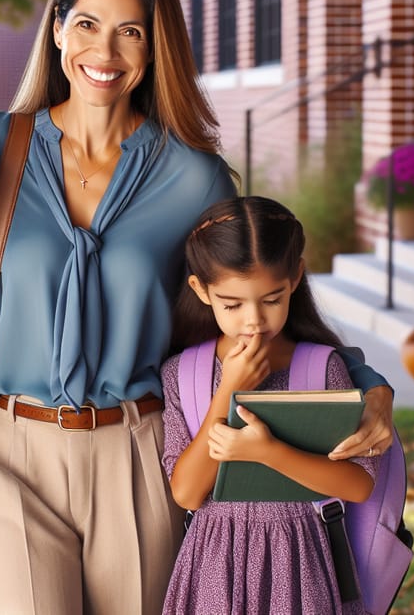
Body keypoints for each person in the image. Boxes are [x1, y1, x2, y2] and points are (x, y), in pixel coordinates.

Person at [0, 0, 393, 614]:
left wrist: (366, 383)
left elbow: (262, 296)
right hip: (11, 450)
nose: (104, 52)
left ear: (154, 46)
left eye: (129, 32)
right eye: (86, 25)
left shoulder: (192, 176)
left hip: (137, 450)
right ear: (57, 31)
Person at [161, 196, 378, 614]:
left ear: (296, 278)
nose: (254, 320)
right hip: (214, 566)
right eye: (233, 304)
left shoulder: (323, 369)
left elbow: (359, 485)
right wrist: (230, 389)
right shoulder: (182, 375)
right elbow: (187, 493)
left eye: (271, 299)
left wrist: (268, 452)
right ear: (201, 291)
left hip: (301, 565)